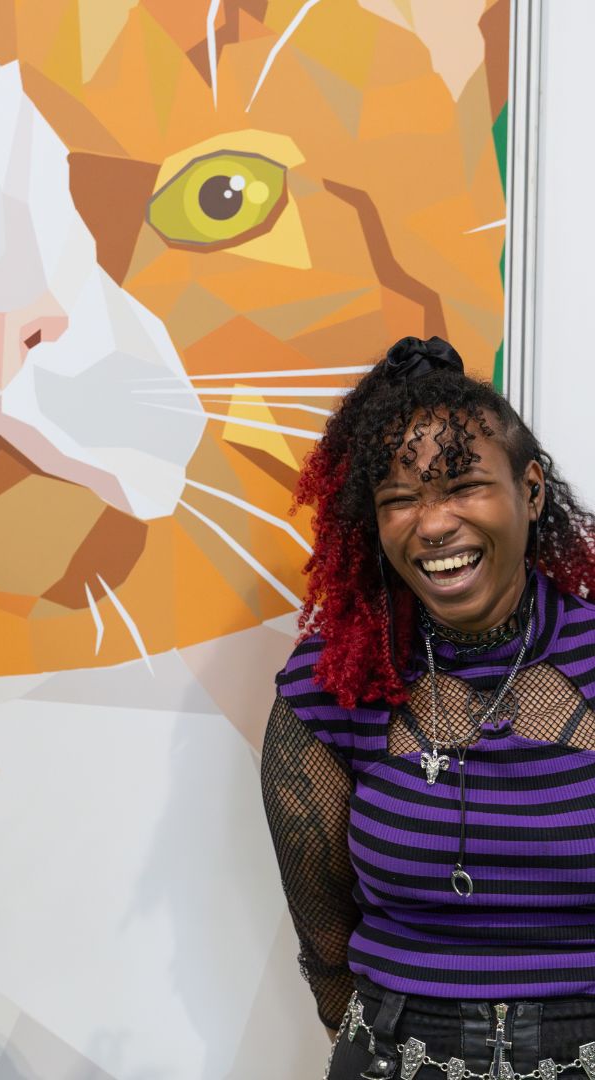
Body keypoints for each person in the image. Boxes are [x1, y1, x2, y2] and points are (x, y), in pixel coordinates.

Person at [261, 335, 595, 1078]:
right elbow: (325, 945)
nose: (434, 522)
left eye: (464, 485)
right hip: (399, 1056)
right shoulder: (334, 683)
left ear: (531, 490)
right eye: (400, 499)